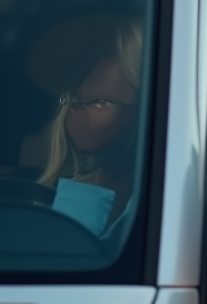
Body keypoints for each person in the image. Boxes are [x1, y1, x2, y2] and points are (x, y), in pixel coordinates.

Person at [39, 21, 142, 237]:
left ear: (145, 111)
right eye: (75, 101)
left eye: (103, 102)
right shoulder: (44, 199)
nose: (77, 119)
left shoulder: (160, 209)